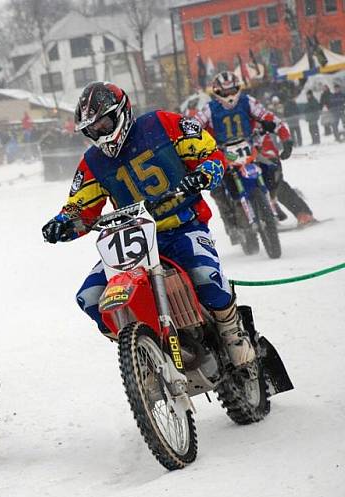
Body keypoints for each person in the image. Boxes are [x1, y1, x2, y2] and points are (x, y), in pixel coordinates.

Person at [42, 82, 254, 370]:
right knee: (90, 297)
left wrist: (204, 173)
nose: (99, 133)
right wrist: (63, 222)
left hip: (182, 226)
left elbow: (210, 153)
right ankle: (142, 350)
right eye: (91, 130)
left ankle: (232, 332)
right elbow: (80, 206)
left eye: (103, 123)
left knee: (205, 275)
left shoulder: (162, 123)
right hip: (133, 240)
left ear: (121, 113)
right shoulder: (92, 161)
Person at [196, 72, 314, 230]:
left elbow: (268, 117)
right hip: (222, 151)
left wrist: (286, 139)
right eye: (225, 92)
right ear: (217, 92)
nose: (230, 96)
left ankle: (295, 211)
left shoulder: (247, 101)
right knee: (217, 185)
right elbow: (192, 126)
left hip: (250, 146)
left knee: (273, 172)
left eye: (232, 91)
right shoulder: (209, 109)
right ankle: (232, 224)